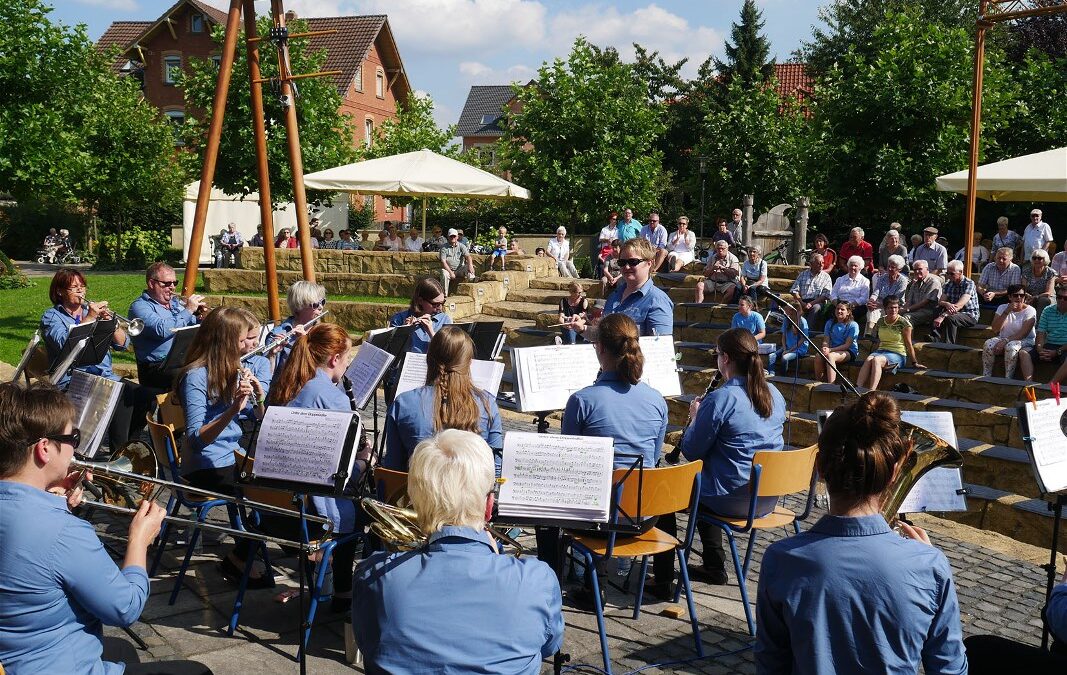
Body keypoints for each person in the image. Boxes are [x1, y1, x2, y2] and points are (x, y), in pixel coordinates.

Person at [0, 382, 215, 675]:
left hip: (16, 650)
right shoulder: (64, 532)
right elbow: (125, 608)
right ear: (44, 449)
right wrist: (138, 541)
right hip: (53, 665)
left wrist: (53, 503)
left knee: (123, 650)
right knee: (197, 671)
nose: (77, 448)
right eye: (73, 437)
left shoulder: (52, 523)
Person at [755, 392, 968, 674]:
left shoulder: (780, 559)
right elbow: (950, 669)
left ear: (819, 468)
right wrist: (927, 561)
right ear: (894, 472)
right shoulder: (930, 566)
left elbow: (771, 665)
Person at [353, 429, 564, 673]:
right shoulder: (537, 579)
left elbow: (367, 643)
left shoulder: (374, 575)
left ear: (415, 501)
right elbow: (549, 645)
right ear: (489, 506)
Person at [649, 328, 786, 587]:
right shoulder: (775, 394)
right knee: (709, 482)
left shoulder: (721, 398)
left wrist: (696, 418)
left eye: (717, 355)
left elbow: (691, 451)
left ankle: (663, 581)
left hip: (731, 498)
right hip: (766, 497)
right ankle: (713, 565)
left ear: (726, 359)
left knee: (664, 495)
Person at [545, 313, 668, 597]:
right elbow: (652, 457)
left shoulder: (582, 400)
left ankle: (565, 582)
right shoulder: (657, 400)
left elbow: (569, 464)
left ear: (599, 348)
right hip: (644, 515)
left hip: (597, 517)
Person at [267, 323, 372, 612]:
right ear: (335, 359)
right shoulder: (332, 397)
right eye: (347, 358)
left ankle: (325, 578)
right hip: (312, 514)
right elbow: (342, 472)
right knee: (364, 505)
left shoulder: (288, 383)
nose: (348, 364)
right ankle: (344, 592)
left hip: (275, 507)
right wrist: (364, 460)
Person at [177, 306, 271, 587]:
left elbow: (258, 417)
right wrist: (232, 410)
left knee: (280, 486)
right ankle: (238, 559)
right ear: (224, 342)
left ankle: (254, 546)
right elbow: (195, 440)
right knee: (272, 497)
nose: (246, 347)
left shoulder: (231, 370)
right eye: (242, 341)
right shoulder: (196, 376)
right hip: (206, 466)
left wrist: (258, 397)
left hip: (230, 456)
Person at [42, 268, 145, 451]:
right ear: (60, 291)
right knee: (123, 394)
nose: (80, 291)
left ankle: (127, 448)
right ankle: (117, 450)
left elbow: (122, 344)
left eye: (82, 286)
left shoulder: (89, 312)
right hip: (71, 379)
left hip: (103, 376)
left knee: (142, 395)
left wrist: (111, 324)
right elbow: (64, 344)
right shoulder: (52, 317)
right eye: (74, 287)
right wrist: (90, 318)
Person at [383, 327, 502, 472]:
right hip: (472, 487)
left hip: (419, 486)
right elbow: (495, 467)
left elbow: (393, 468)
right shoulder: (487, 403)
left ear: (428, 358)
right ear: (469, 362)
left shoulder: (403, 402)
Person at [128, 262, 205, 391]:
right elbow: (162, 330)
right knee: (192, 376)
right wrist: (188, 310)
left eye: (175, 283)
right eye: (167, 283)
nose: (172, 287)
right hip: (155, 368)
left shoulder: (176, 305)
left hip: (181, 361)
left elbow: (192, 324)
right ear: (151, 283)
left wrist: (203, 318)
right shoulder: (139, 307)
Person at [577, 238, 673, 338]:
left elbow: (660, 345)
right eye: (622, 262)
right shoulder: (614, 296)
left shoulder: (657, 300)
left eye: (633, 261)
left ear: (649, 263)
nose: (626, 267)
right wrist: (582, 328)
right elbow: (604, 336)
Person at [857, 295, 925, 389]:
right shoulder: (881, 321)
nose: (893, 310)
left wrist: (914, 362)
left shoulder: (904, 323)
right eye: (890, 308)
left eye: (895, 307)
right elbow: (879, 340)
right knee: (869, 359)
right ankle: (857, 387)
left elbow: (909, 344)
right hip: (881, 351)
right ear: (885, 309)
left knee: (877, 360)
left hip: (897, 354)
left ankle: (872, 391)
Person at [268, 280, 327, 375]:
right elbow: (268, 375)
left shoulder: (322, 331)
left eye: (322, 302)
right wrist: (272, 355)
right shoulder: (278, 333)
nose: (321, 307)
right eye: (315, 305)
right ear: (299, 307)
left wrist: (305, 339)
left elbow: (326, 367)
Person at [981, 284, 1035, 380]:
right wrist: (1007, 311)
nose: (1019, 298)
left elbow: (1023, 334)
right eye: (1015, 295)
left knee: (1011, 347)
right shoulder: (1002, 307)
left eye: (1022, 295)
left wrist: (1005, 341)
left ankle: (1008, 379)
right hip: (1003, 338)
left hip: (1025, 340)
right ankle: (986, 376)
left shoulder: (1030, 310)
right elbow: (995, 329)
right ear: (1009, 297)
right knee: (988, 344)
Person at [389, 276, 453, 354]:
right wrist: (404, 330)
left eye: (442, 303)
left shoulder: (444, 319)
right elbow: (390, 351)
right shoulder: (398, 319)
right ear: (420, 301)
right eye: (435, 304)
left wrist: (431, 332)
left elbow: (448, 352)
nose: (440, 307)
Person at [932, 260, 980, 344]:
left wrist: (943, 316)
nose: (949, 276)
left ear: (960, 272)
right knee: (937, 309)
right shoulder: (948, 284)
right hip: (954, 312)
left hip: (969, 314)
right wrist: (947, 304)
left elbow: (959, 305)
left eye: (952, 274)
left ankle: (948, 345)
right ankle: (935, 338)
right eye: (947, 273)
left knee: (951, 318)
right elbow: (941, 301)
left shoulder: (969, 284)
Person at [816, 300, 860, 384]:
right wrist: (825, 347)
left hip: (849, 351)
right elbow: (826, 340)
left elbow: (847, 345)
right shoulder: (829, 323)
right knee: (818, 355)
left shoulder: (853, 325)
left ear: (848, 312)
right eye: (837, 309)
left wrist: (830, 350)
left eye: (842, 309)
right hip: (832, 349)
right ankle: (819, 382)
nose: (839, 311)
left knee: (831, 356)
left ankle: (831, 385)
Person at [865, 254, 909, 335]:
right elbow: (876, 292)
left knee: (878, 309)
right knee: (872, 309)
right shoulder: (882, 277)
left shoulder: (903, 280)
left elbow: (896, 298)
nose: (889, 269)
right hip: (880, 303)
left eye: (893, 267)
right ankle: (869, 334)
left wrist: (880, 305)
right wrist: (871, 301)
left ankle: (871, 334)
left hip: (894, 305)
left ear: (899, 269)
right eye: (888, 266)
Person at [1031, 288, 1067, 385]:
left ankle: (1050, 386)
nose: (1062, 300)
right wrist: (1040, 350)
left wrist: (1057, 352)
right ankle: (1028, 383)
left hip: (1064, 347)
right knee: (1023, 354)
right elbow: (1040, 333)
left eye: (1065, 298)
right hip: (1050, 344)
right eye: (1059, 297)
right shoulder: (1048, 310)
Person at [767, 300, 808, 376]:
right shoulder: (786, 319)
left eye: (787, 309)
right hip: (787, 347)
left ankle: (783, 376)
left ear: (793, 310)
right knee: (771, 356)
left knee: (785, 358)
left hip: (798, 349)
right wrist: (785, 348)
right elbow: (784, 336)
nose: (785, 310)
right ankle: (771, 374)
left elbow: (802, 340)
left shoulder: (802, 321)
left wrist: (789, 351)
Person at [830, 255, 871, 327]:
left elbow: (864, 298)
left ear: (860, 268)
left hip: (856, 306)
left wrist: (849, 306)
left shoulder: (865, 281)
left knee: (851, 314)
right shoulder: (840, 279)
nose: (853, 267)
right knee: (829, 312)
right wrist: (837, 304)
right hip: (839, 304)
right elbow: (833, 293)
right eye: (851, 265)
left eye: (855, 266)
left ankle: (848, 330)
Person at [694, 240, 740, 304]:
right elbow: (705, 274)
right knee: (699, 286)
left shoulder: (733, 258)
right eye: (718, 249)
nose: (720, 250)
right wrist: (713, 268)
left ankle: (720, 306)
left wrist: (723, 268)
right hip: (713, 282)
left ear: (727, 249)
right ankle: (698, 305)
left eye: (722, 249)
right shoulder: (712, 257)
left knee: (733, 290)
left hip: (727, 282)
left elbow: (734, 274)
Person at [903, 259, 943, 332]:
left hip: (929, 312)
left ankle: (908, 339)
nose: (917, 271)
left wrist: (907, 310)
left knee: (907, 317)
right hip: (916, 311)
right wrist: (901, 310)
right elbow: (908, 301)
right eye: (915, 270)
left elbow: (924, 302)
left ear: (927, 269)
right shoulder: (914, 284)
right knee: (895, 314)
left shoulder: (933, 282)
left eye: (920, 269)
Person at [439, 228, 475, 296]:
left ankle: (471, 292)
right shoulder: (443, 247)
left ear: (457, 237)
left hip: (459, 269)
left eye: (454, 236)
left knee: (470, 269)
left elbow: (468, 256)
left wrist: (470, 265)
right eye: (451, 236)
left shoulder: (461, 246)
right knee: (444, 273)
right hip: (448, 270)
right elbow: (443, 262)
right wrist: (450, 272)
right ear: (448, 237)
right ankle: (444, 295)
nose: (453, 237)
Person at [1022, 248, 1056, 315]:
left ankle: (1039, 320)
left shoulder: (1050, 272)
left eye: (1039, 258)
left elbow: (1048, 292)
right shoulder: (1026, 272)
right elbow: (1023, 289)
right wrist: (1029, 296)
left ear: (1045, 260)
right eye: (1034, 258)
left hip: (1045, 297)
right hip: (1029, 296)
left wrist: (1035, 297)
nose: (1036, 260)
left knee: (1043, 301)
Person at [557, 281, 588, 345]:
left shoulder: (584, 301)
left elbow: (584, 318)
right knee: (570, 332)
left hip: (579, 325)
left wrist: (577, 324)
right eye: (578, 292)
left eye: (581, 292)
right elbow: (561, 317)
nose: (580, 294)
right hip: (567, 326)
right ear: (572, 292)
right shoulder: (564, 301)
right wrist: (563, 324)